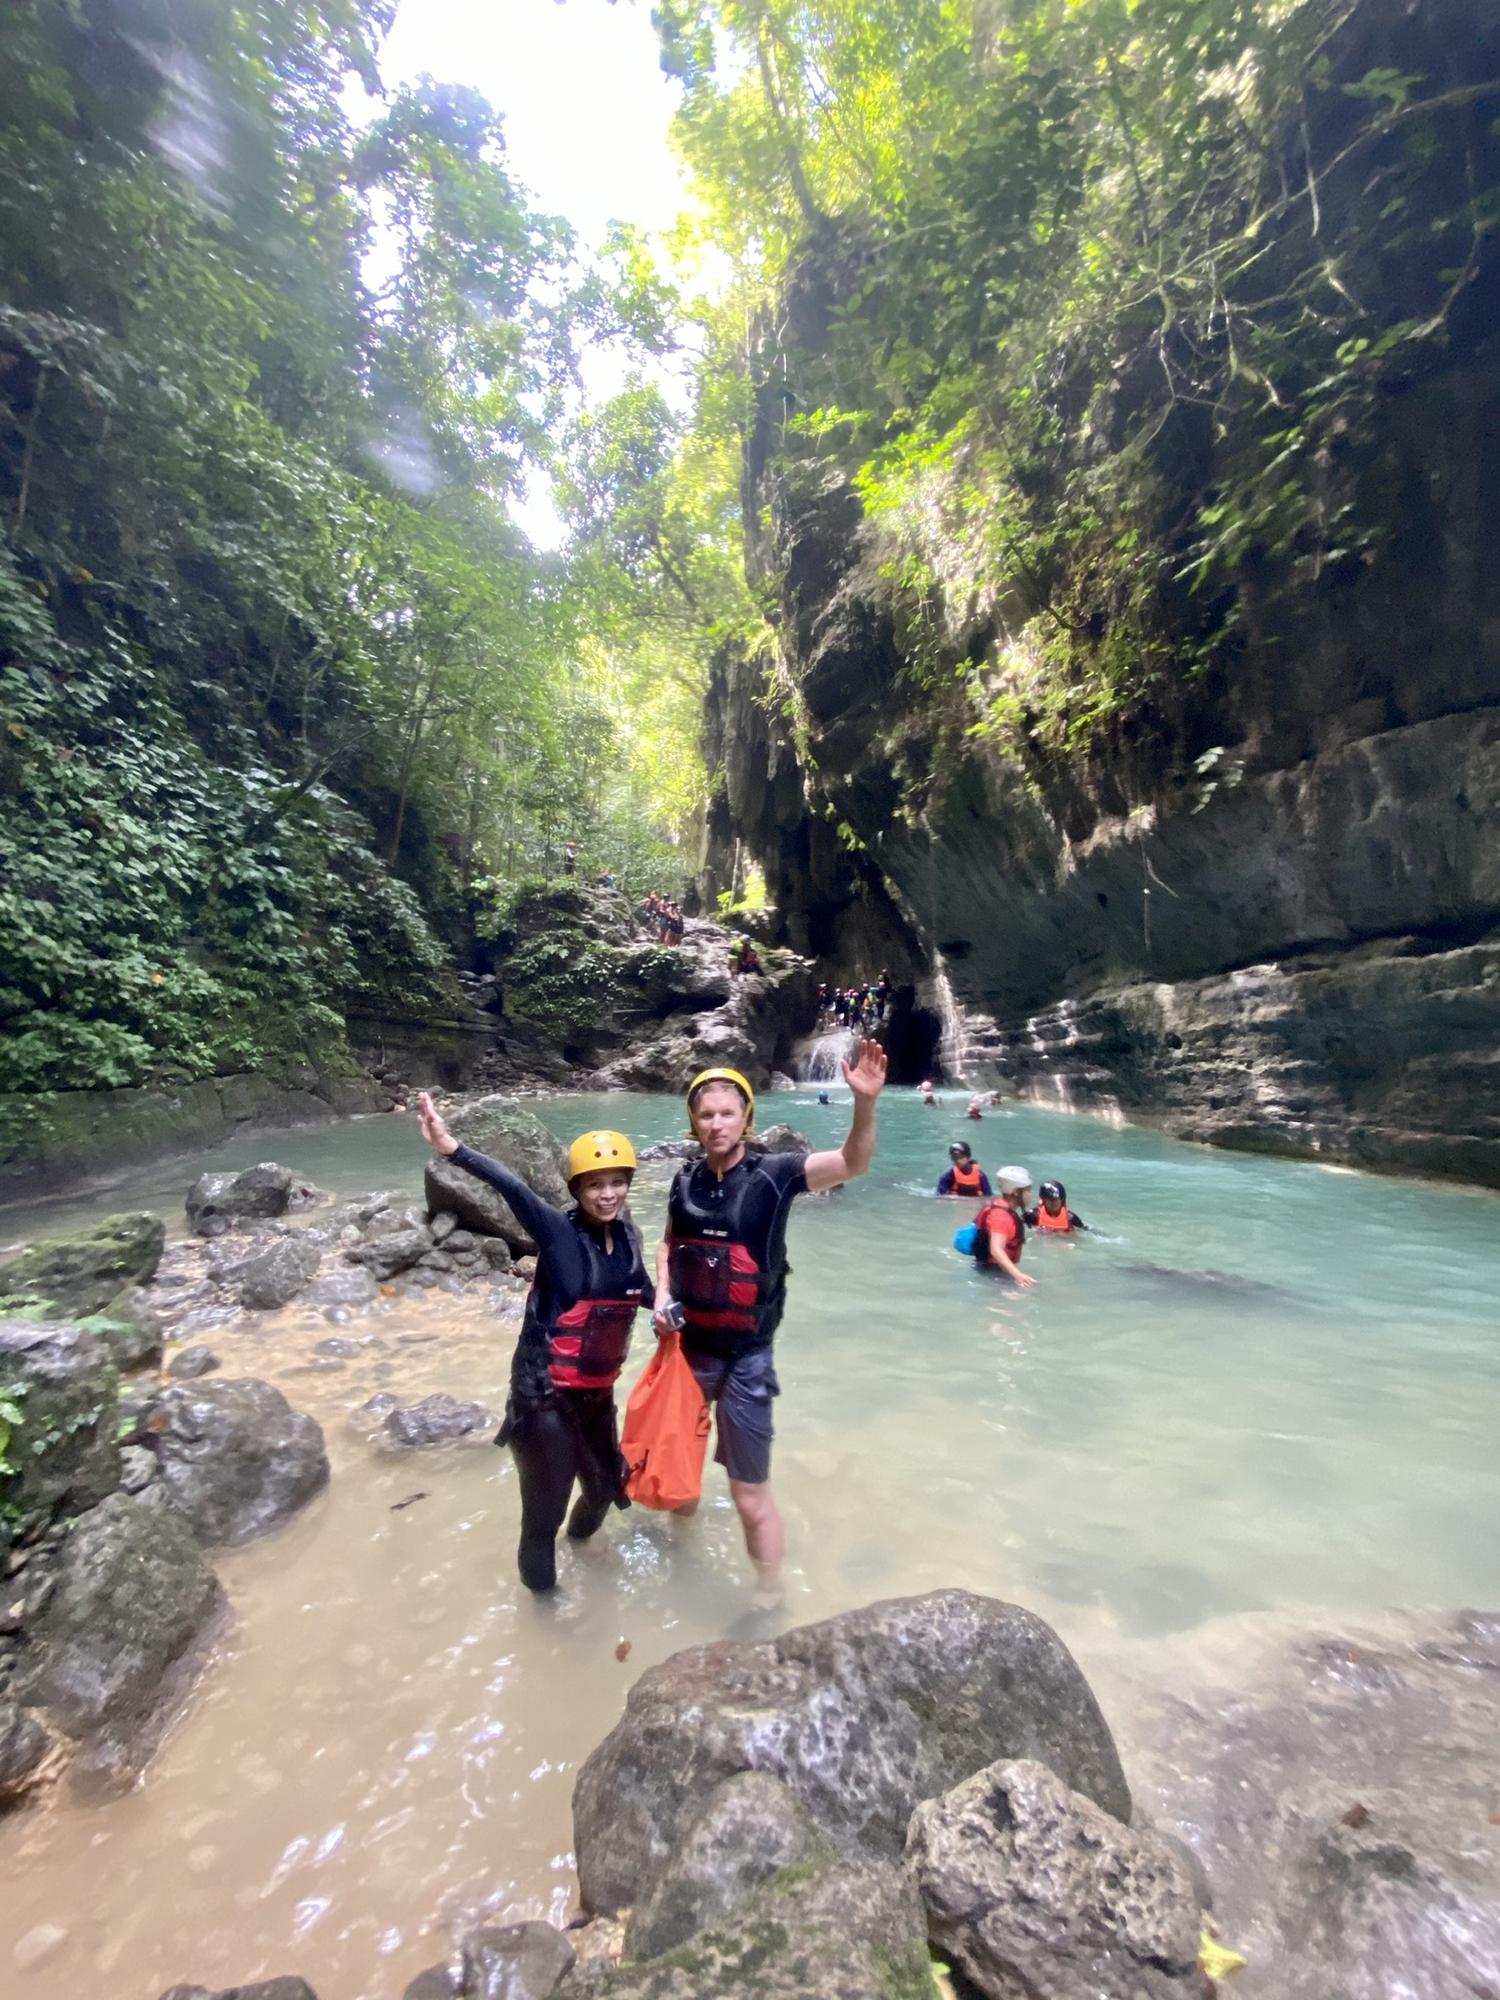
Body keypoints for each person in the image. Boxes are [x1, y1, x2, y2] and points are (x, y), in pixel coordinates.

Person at [653, 1047, 887, 1603]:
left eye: (726, 1114)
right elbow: (666, 1244)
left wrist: (865, 1104)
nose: (716, 1124)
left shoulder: (776, 1175)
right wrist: (662, 1294)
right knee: (681, 1480)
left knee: (748, 1494)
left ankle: (769, 1594)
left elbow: (853, 1164)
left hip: (746, 1358)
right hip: (688, 1352)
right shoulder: (684, 1181)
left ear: (746, 1119)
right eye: (706, 1115)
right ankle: (681, 1570)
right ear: (694, 1122)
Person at [416, 1092, 651, 1593]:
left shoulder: (628, 1238)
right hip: (544, 1397)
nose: (607, 1195)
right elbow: (512, 1187)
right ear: (577, 1188)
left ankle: (583, 1552)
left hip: (595, 1396)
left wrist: (682, 1310)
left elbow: (643, 1293)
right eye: (595, 1185)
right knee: (543, 1514)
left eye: (616, 1183)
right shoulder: (557, 1233)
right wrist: (451, 1148)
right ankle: (546, 1618)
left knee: (607, 1486)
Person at [974, 1167, 1036, 1287]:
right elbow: (996, 1249)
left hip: (993, 1271)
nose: (1030, 1194)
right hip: (993, 1275)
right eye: (1028, 1190)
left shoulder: (1000, 1206)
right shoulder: (1001, 1216)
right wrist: (1018, 1275)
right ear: (1016, 1192)